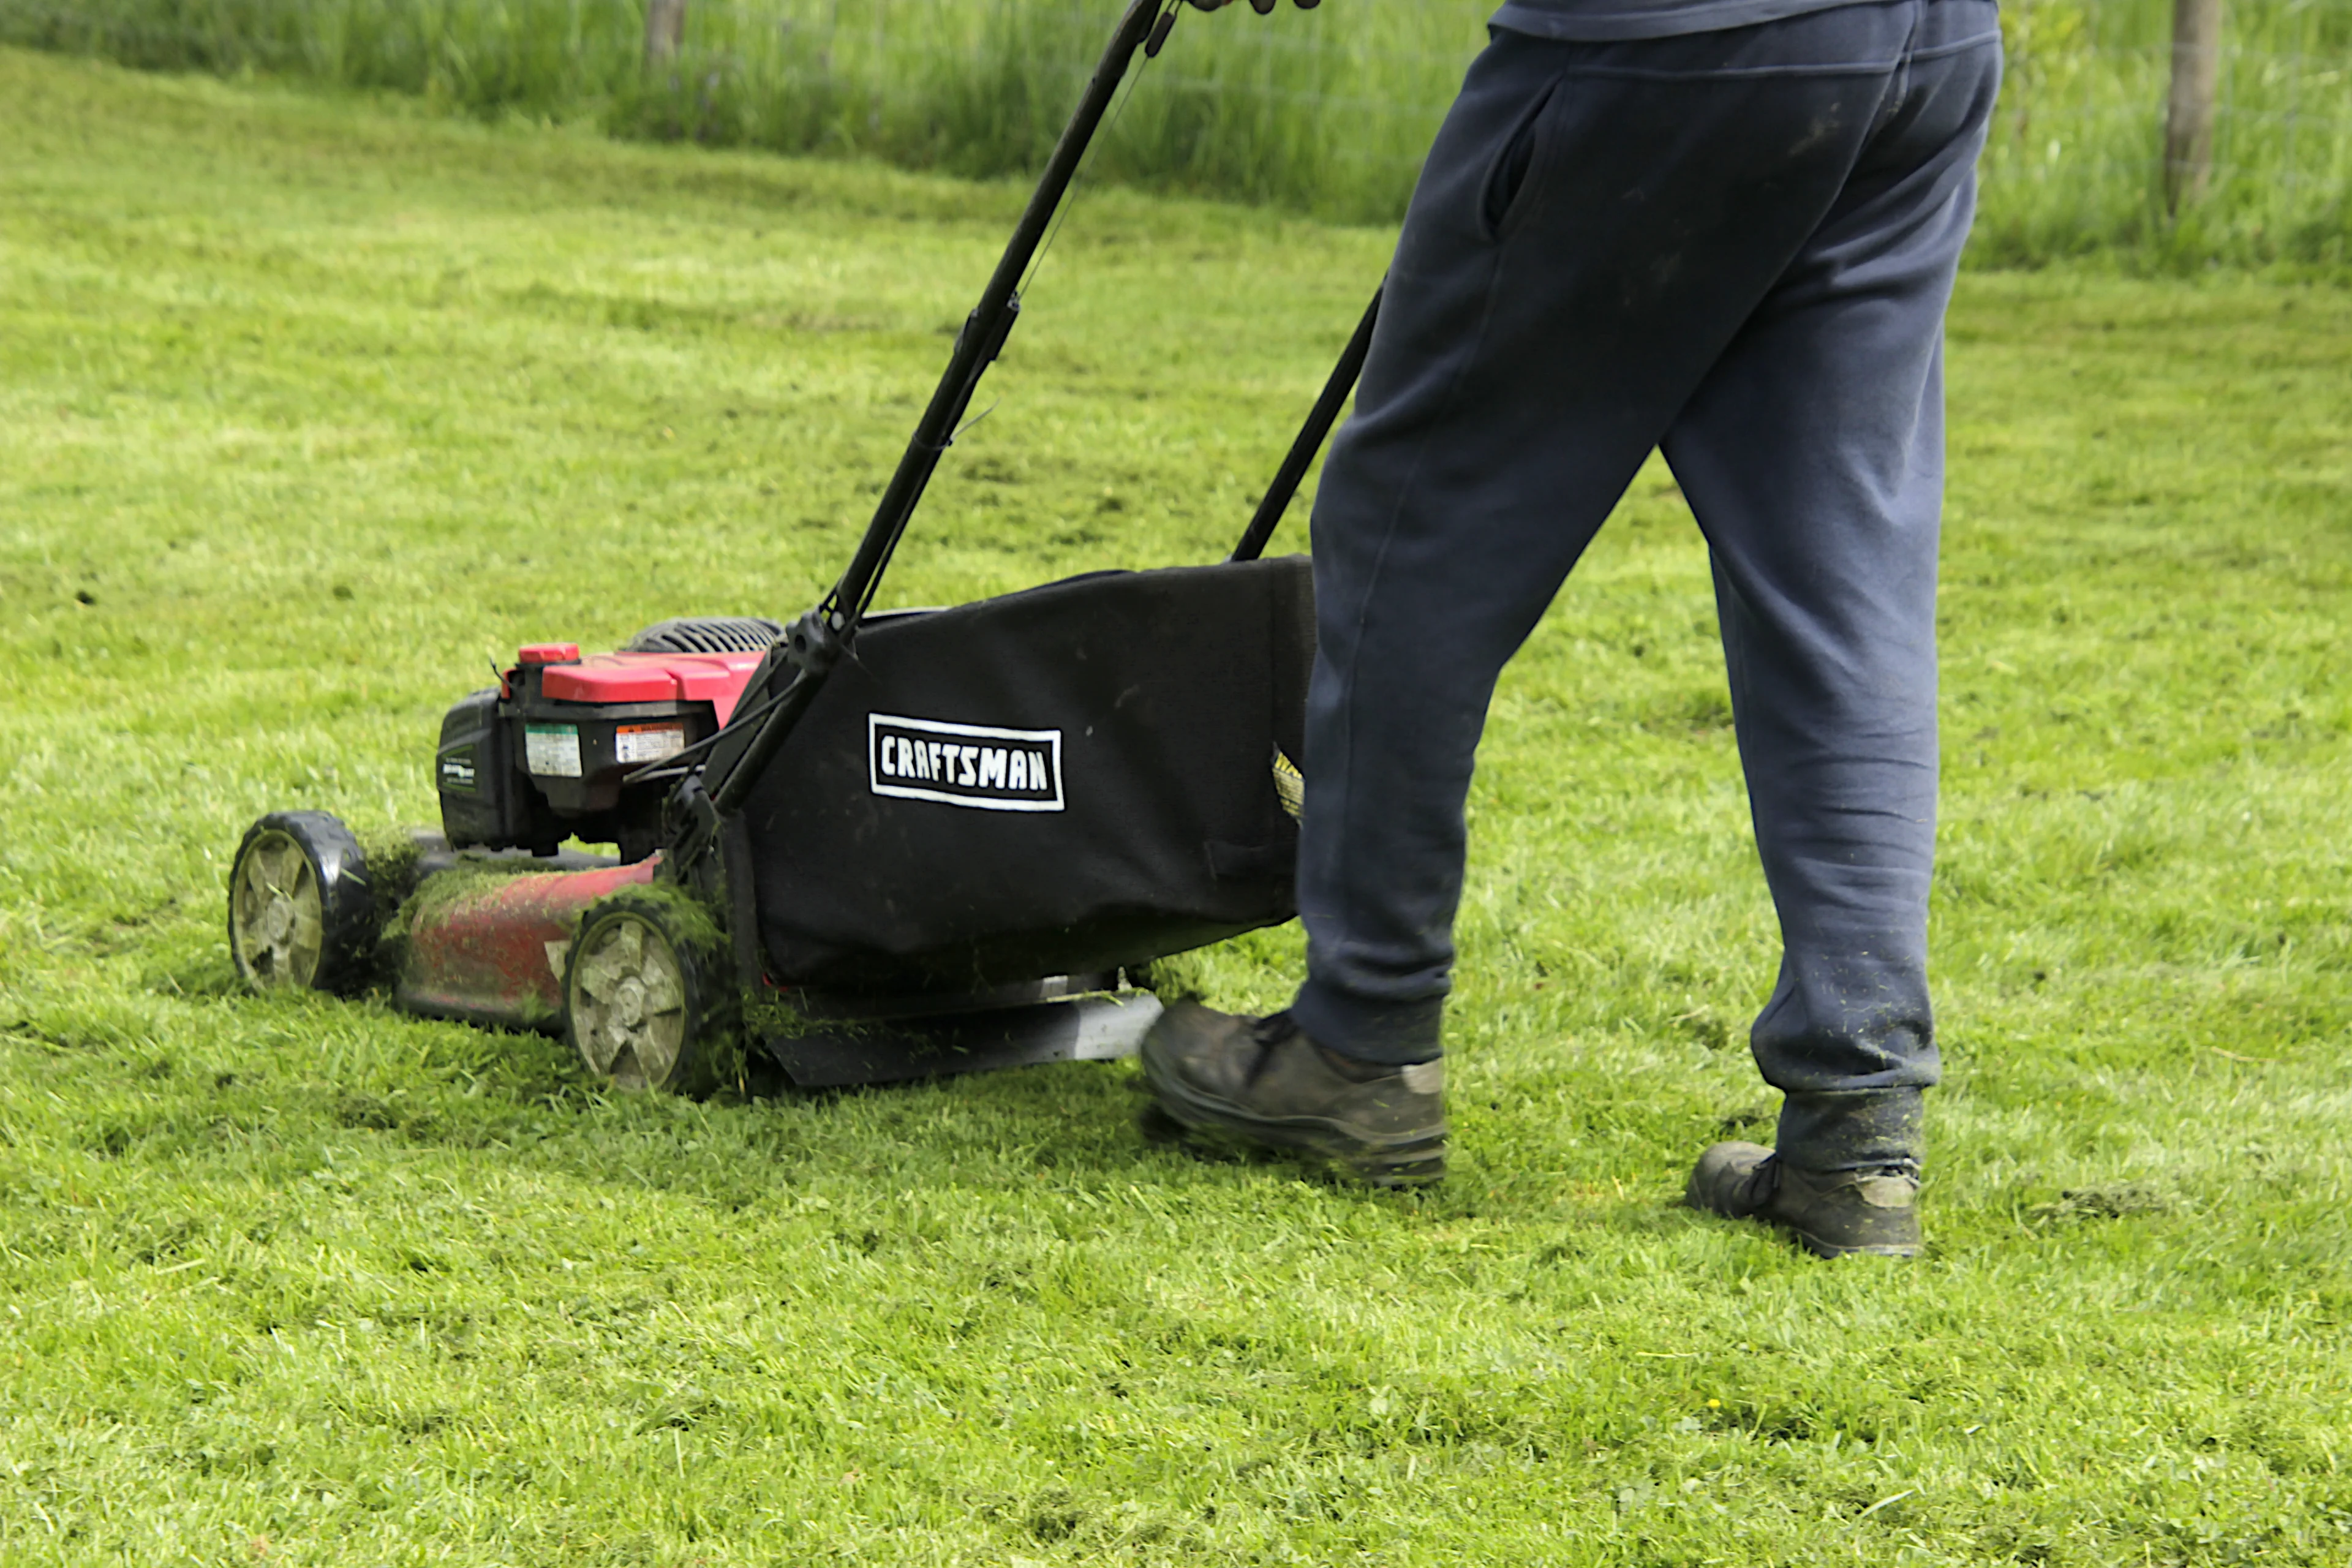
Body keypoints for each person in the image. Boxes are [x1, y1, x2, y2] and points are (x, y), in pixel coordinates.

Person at [1140, 0, 2003, 1258]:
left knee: (1412, 518)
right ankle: (1857, 1136)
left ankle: (1361, 1044)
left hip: (1671, 46)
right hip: (1919, 45)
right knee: (1840, 566)